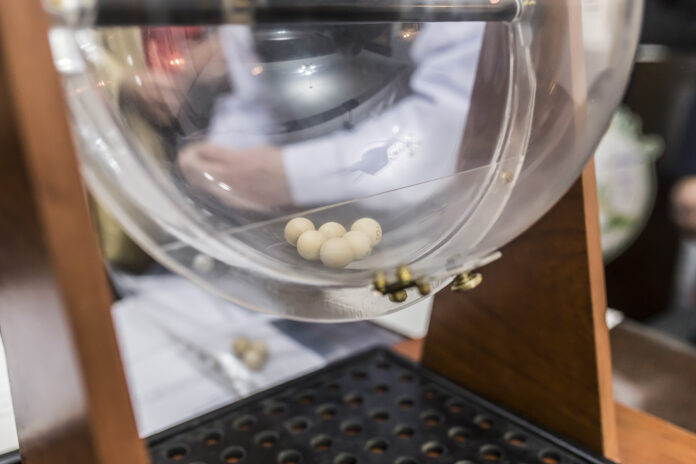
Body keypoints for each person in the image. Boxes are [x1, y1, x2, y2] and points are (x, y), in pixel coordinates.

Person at [173, 23, 485, 211]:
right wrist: (223, 160)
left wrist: (293, 176)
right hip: (283, 224)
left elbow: (445, 128)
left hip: (420, 218)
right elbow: (255, 98)